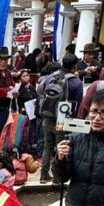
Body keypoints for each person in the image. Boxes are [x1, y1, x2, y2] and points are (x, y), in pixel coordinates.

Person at [37, 54, 84, 183]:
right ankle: (57, 177)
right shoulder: (76, 82)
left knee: (47, 146)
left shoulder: (50, 77)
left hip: (47, 117)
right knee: (61, 147)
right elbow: (78, 104)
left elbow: (40, 92)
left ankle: (43, 174)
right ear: (75, 66)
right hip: (63, 120)